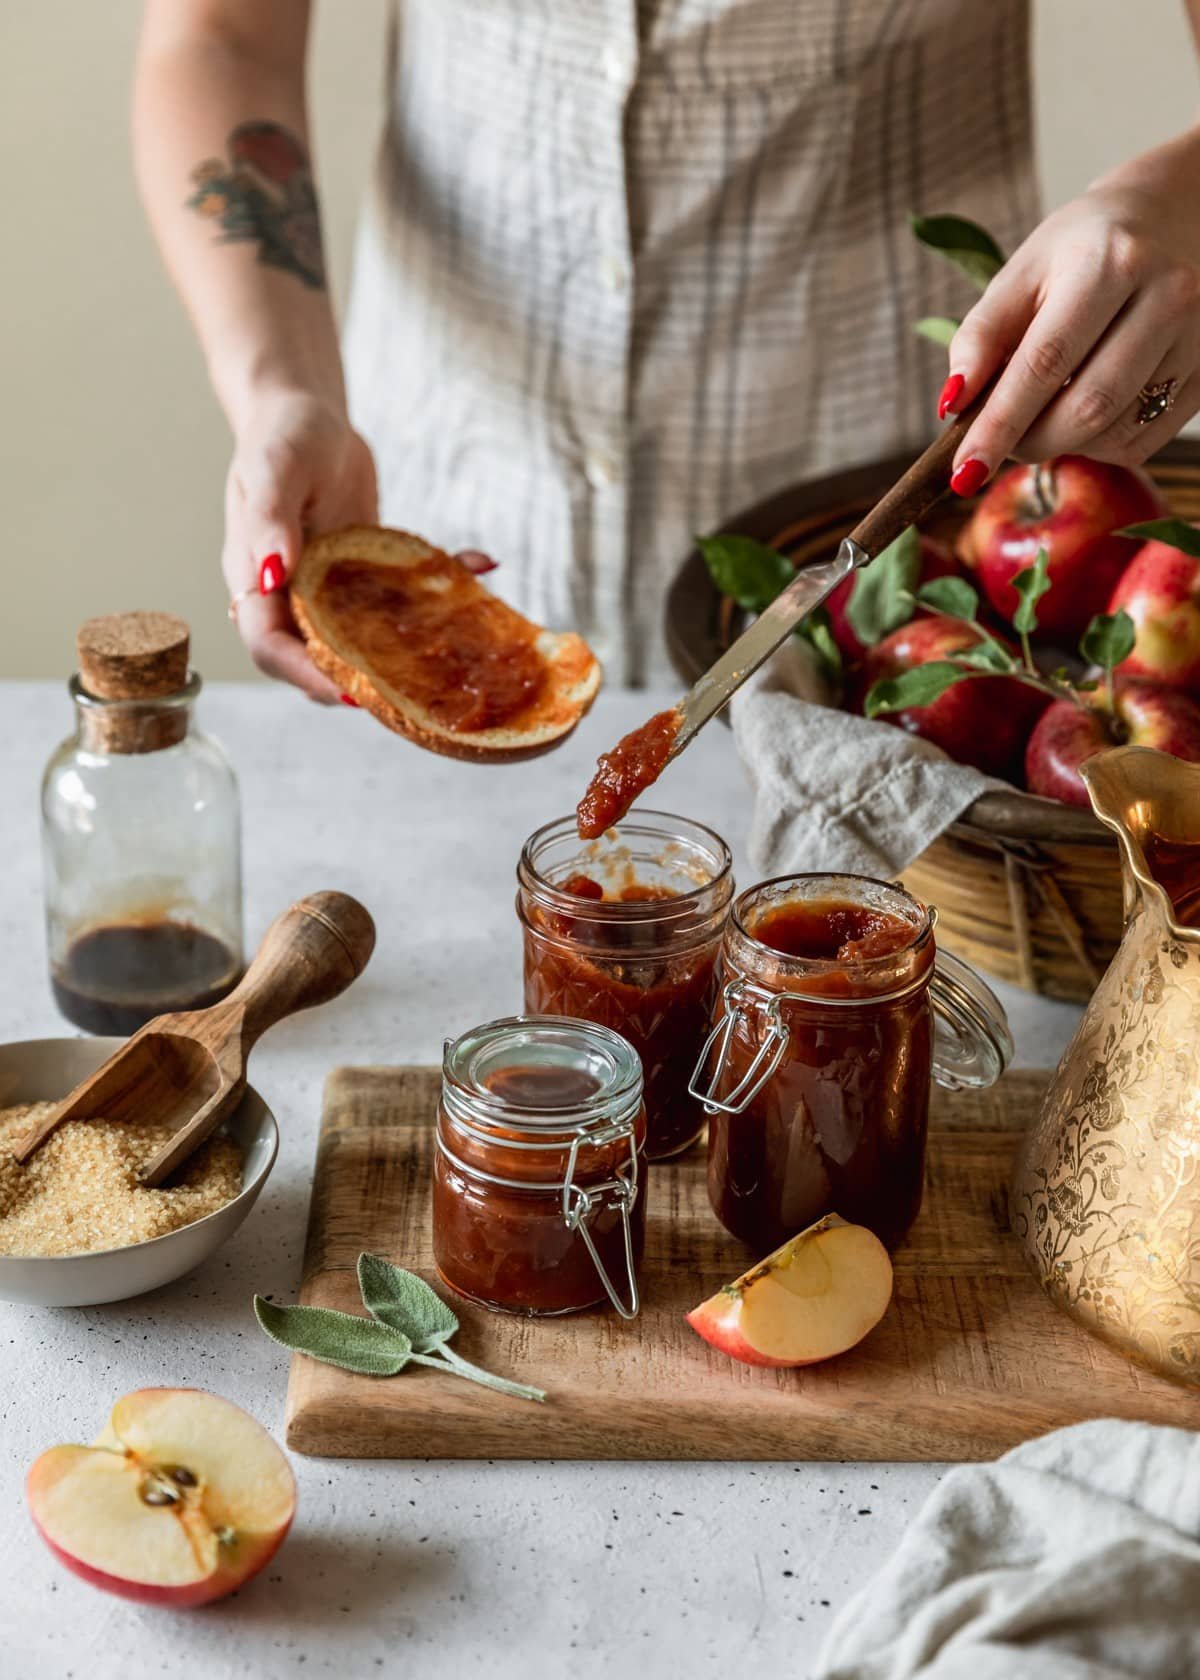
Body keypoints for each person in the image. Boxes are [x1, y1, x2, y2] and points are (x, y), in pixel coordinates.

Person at [134, 1, 1200, 699]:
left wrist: (1185, 197)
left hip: (883, 551)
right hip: (440, 505)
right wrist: (285, 393)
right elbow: (223, 36)